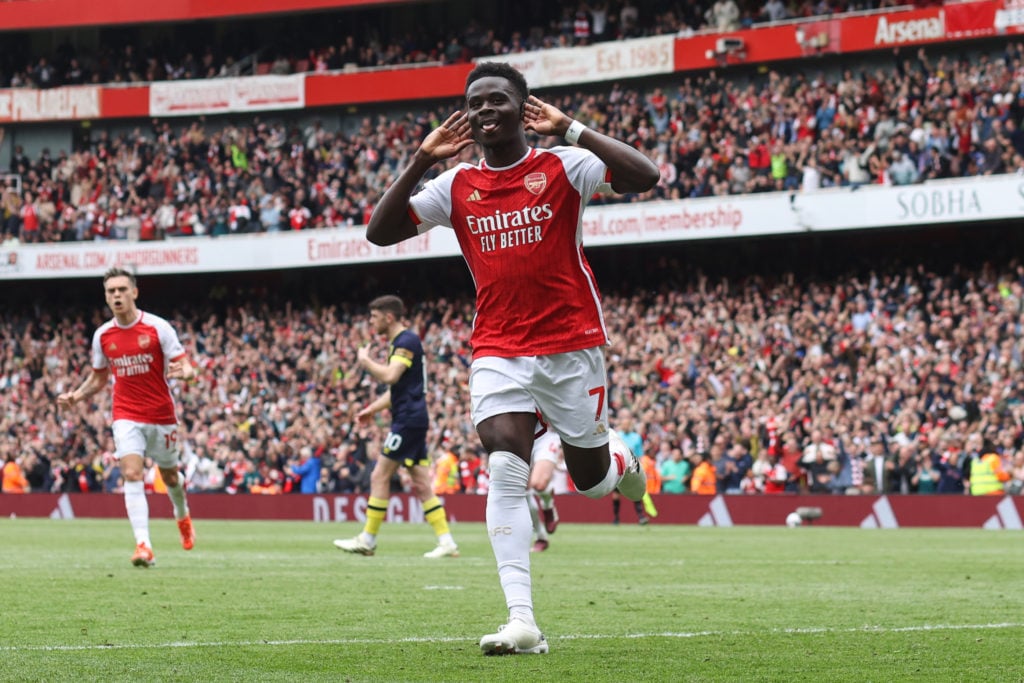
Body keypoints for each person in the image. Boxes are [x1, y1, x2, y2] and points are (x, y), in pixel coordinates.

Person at [364, 61, 657, 655]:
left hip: (572, 347)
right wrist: (424, 159)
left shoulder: (563, 166)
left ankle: (621, 459)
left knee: (593, 483)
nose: (484, 110)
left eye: (497, 99)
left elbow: (644, 175)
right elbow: (380, 231)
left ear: (523, 109)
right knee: (505, 464)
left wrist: (570, 127)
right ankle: (521, 619)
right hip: (498, 347)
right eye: (475, 103)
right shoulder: (456, 186)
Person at [56, 267, 196, 567]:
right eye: (111, 291)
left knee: (170, 476)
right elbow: (98, 379)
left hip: (161, 415)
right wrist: (75, 396)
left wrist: (187, 374)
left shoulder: (158, 328)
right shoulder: (103, 336)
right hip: (126, 414)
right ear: (106, 297)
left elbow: (186, 366)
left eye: (122, 289)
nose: (117, 295)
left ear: (134, 292)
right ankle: (143, 545)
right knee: (131, 473)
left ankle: (182, 515)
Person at [333, 295, 459, 559]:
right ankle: (447, 541)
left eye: (375, 317)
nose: (371, 322)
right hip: (412, 417)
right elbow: (398, 389)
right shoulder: (402, 343)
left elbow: (391, 376)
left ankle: (367, 539)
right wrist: (372, 409)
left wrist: (365, 361)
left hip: (408, 420)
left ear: (389, 317)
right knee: (421, 483)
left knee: (379, 475)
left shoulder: (406, 341)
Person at [526, 422, 562, 553]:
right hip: (518, 436)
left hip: (545, 434)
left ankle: (547, 502)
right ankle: (541, 537)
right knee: (523, 491)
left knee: (539, 484)